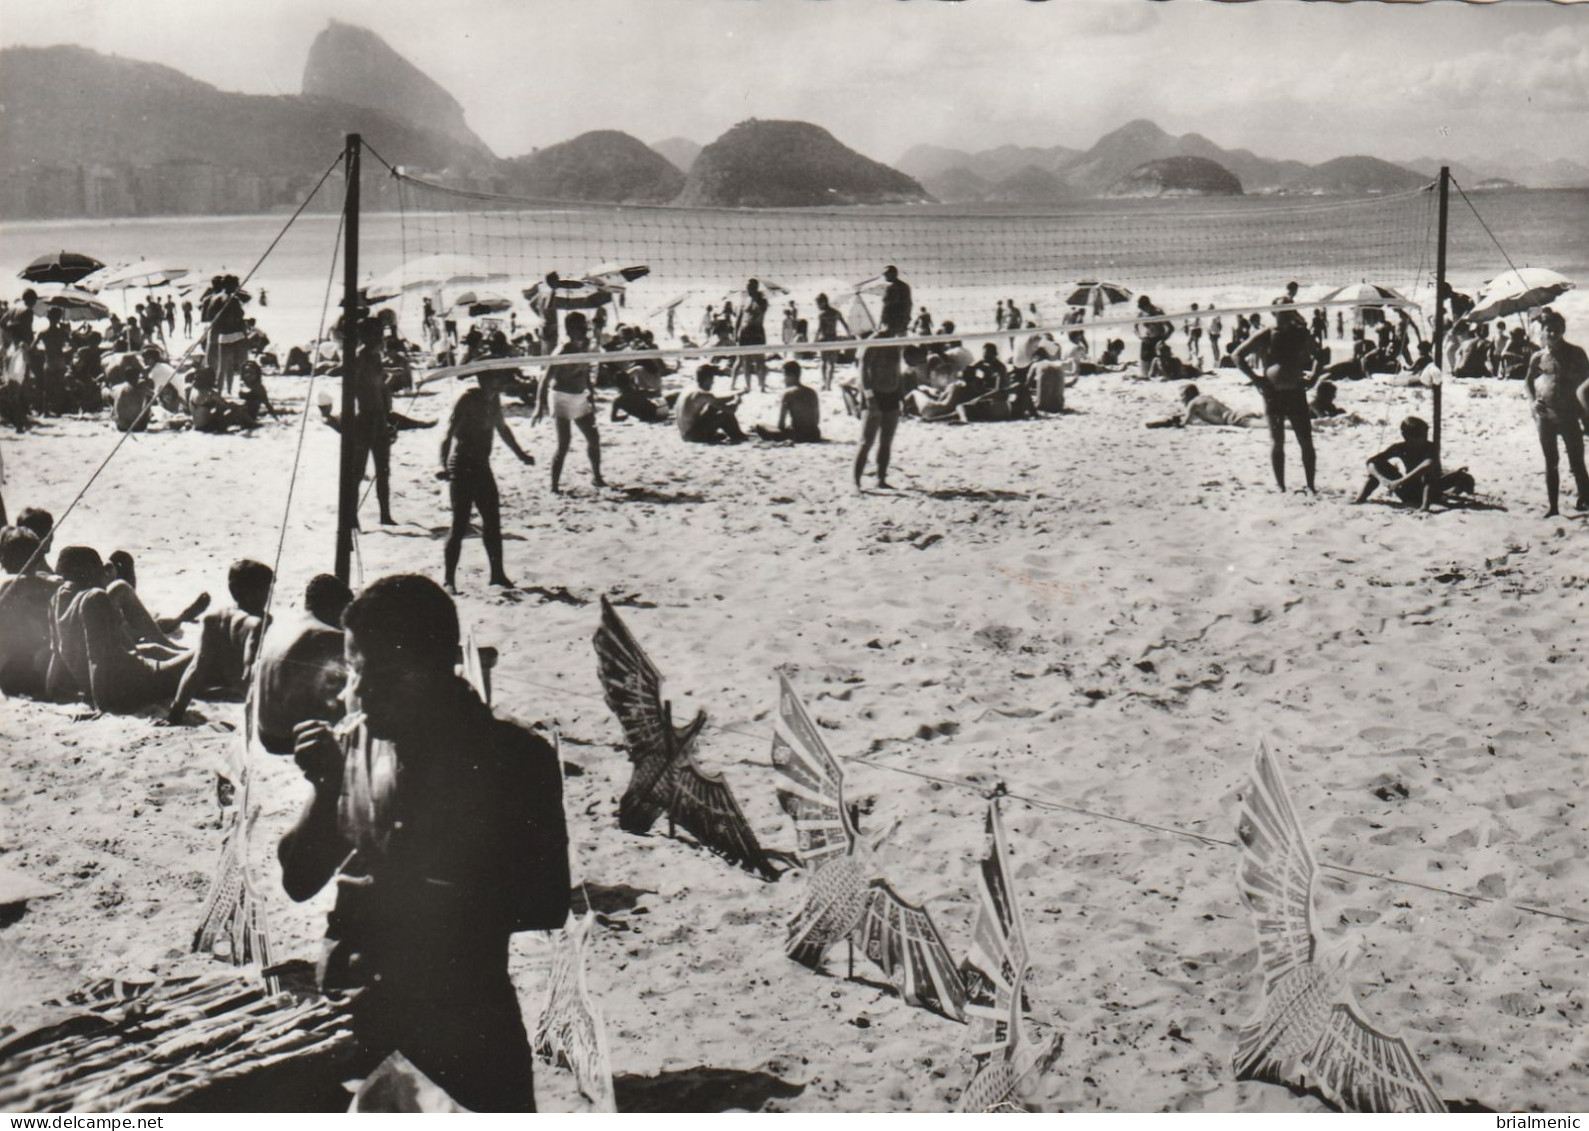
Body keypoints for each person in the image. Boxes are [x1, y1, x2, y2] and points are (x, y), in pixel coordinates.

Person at [277, 574, 569, 1113]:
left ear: (441, 663)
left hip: (460, 1034)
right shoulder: (358, 743)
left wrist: (415, 888)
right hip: (355, 1021)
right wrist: (324, 790)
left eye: (383, 676)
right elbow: (298, 880)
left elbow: (547, 904)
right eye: (355, 671)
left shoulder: (512, 759)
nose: (359, 693)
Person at [48, 546, 194, 714]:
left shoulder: (56, 600)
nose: (105, 574)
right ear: (89, 570)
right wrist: (100, 707)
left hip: (117, 677)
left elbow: (58, 653)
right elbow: (96, 659)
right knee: (203, 655)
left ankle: (181, 655)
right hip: (135, 683)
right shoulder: (94, 598)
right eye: (100, 567)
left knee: (155, 650)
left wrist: (50, 690)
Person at [442, 369, 535, 592]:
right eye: (495, 380)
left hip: (483, 466)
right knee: (460, 524)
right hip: (461, 465)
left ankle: (497, 575)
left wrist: (521, 454)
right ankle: (449, 580)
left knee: (492, 521)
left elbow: (502, 429)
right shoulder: (467, 399)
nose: (499, 384)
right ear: (483, 380)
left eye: (499, 380)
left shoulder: (494, 402)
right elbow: (449, 432)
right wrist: (441, 465)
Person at [253, 573, 352, 755]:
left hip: (264, 732)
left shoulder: (281, 625)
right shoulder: (327, 635)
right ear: (334, 607)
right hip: (289, 739)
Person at [167, 559, 273, 722]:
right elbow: (251, 672)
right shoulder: (257, 624)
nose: (269, 596)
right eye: (268, 590)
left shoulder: (212, 618)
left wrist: (176, 712)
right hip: (246, 693)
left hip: (212, 681)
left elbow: (195, 669)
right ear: (257, 592)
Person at [1237, 310, 1322, 493]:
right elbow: (1237, 355)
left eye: (1289, 309)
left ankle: (1311, 485)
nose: (1285, 313)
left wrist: (1314, 376)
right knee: (1277, 441)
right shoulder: (1266, 334)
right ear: (1274, 312)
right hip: (1273, 395)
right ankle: (1281, 486)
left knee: (1305, 441)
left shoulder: (1300, 333)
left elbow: (1320, 355)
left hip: (1296, 393)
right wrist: (1255, 378)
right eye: (1281, 310)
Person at [1527, 309, 1589, 517]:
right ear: (1542, 332)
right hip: (1546, 416)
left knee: (1577, 461)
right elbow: (1527, 382)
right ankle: (1553, 507)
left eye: (1556, 330)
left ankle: (1586, 500)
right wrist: (1532, 402)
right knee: (1550, 462)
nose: (1552, 334)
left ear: (1563, 330)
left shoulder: (1576, 353)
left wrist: (1585, 410)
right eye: (1548, 330)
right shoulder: (1538, 356)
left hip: (1570, 415)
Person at [533, 311, 604, 494]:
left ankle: (597, 477)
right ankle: (554, 486)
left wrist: (591, 397)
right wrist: (538, 406)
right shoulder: (561, 350)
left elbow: (586, 373)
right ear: (570, 330)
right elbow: (545, 378)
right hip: (561, 397)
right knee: (564, 443)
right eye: (580, 327)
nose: (584, 330)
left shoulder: (585, 346)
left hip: (580, 397)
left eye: (585, 327)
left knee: (594, 438)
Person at [1354, 417, 1474, 508]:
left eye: (1426, 434)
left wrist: (1399, 481)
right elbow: (1371, 462)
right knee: (1378, 467)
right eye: (1421, 436)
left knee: (1457, 477)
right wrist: (1382, 479)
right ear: (1406, 436)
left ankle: (1425, 507)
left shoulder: (1430, 447)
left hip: (1429, 492)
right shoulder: (1399, 447)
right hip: (1407, 491)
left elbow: (1428, 465)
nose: (1425, 438)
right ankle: (1360, 499)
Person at [0, 525, 56, 698]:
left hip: (10, 673)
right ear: (37, 559)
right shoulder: (46, 584)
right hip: (34, 670)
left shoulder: (8, 586)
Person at [854, 341, 908, 489]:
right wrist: (870, 398)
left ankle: (881, 479)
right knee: (866, 441)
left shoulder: (895, 343)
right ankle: (856, 483)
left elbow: (897, 371)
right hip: (875, 395)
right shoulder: (873, 342)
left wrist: (902, 396)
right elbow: (863, 372)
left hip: (892, 395)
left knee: (886, 441)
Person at [753, 361, 821, 442]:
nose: (783, 380)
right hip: (814, 434)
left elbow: (781, 424)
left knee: (760, 426)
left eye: (784, 376)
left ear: (791, 376)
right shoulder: (812, 392)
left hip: (797, 436)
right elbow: (816, 420)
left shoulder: (788, 394)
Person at [677, 364, 747, 444]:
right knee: (725, 415)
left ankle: (735, 435)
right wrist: (737, 401)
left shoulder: (689, 389)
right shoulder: (702, 394)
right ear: (707, 379)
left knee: (713, 407)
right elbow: (731, 410)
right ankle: (739, 436)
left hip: (685, 434)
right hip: (693, 436)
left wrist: (737, 394)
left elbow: (716, 401)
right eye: (712, 379)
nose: (713, 383)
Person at [1147, 383, 1263, 429]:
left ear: (1188, 396)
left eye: (1182, 396)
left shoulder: (1192, 404)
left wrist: (1165, 423)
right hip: (1240, 412)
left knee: (1272, 427)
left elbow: (1184, 423)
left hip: (1235, 420)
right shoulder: (1206, 398)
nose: (1180, 399)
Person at [732, 279, 770, 393]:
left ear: (756, 287)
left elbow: (760, 312)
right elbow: (739, 318)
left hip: (757, 331)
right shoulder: (744, 300)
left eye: (751, 287)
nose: (749, 289)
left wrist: (756, 299)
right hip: (744, 332)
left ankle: (762, 386)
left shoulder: (762, 300)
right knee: (745, 361)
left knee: (760, 360)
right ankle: (748, 386)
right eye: (747, 287)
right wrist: (735, 333)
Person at [814, 293, 851, 391]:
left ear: (824, 302)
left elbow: (820, 329)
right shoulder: (836, 312)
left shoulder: (822, 315)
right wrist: (849, 335)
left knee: (824, 362)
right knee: (831, 363)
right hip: (834, 339)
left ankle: (824, 382)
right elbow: (845, 325)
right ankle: (828, 384)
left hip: (825, 339)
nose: (817, 306)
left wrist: (815, 340)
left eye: (818, 303)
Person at [1134, 295, 1171, 379]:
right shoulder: (1141, 314)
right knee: (1145, 373)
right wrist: (1140, 337)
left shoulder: (1158, 312)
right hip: (1146, 341)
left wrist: (1163, 339)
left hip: (1157, 340)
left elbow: (1170, 328)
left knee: (1157, 370)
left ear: (1148, 305)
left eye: (1143, 308)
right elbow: (1135, 328)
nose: (1142, 310)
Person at [879, 266, 912, 337]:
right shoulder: (902, 286)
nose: (884, 276)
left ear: (894, 274)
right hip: (894, 321)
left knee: (896, 342)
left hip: (897, 321)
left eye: (886, 274)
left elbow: (888, 305)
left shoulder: (897, 287)